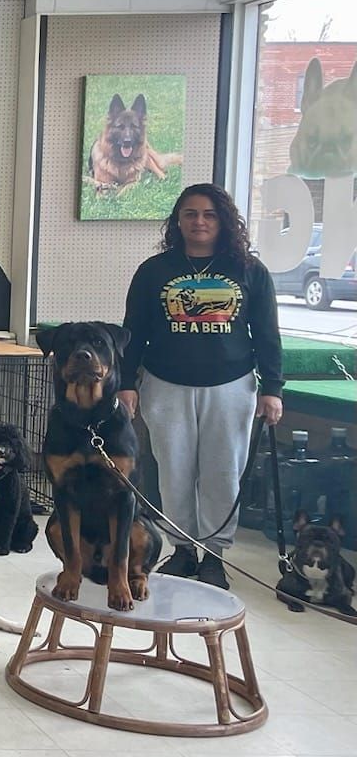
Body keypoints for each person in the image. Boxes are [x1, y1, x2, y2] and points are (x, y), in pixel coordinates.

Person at [119, 183, 284, 589]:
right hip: (165, 385)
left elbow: (267, 334)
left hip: (231, 387)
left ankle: (214, 555)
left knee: (221, 474)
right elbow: (133, 332)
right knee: (173, 473)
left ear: (224, 221)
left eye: (209, 214)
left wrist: (272, 388)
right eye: (191, 214)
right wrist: (125, 383)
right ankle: (184, 549)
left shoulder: (250, 271)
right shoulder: (154, 271)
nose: (199, 222)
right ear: (178, 220)